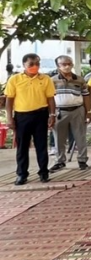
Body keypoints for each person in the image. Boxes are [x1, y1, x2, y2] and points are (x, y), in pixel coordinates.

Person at [4, 54, 56, 185]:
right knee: (22, 147)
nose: (35, 67)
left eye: (37, 64)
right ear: (24, 65)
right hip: (22, 116)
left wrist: (52, 115)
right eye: (31, 64)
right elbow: (9, 100)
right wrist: (9, 118)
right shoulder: (15, 79)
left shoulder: (45, 79)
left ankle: (43, 172)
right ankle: (21, 174)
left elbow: (50, 98)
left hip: (41, 115)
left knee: (41, 145)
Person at [50, 55, 91, 172]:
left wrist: (88, 111)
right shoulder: (52, 81)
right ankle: (60, 161)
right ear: (58, 66)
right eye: (64, 64)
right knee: (59, 137)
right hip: (59, 111)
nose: (67, 66)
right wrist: (51, 114)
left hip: (78, 110)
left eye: (69, 63)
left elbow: (86, 95)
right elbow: (48, 98)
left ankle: (82, 160)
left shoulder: (79, 79)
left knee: (80, 136)